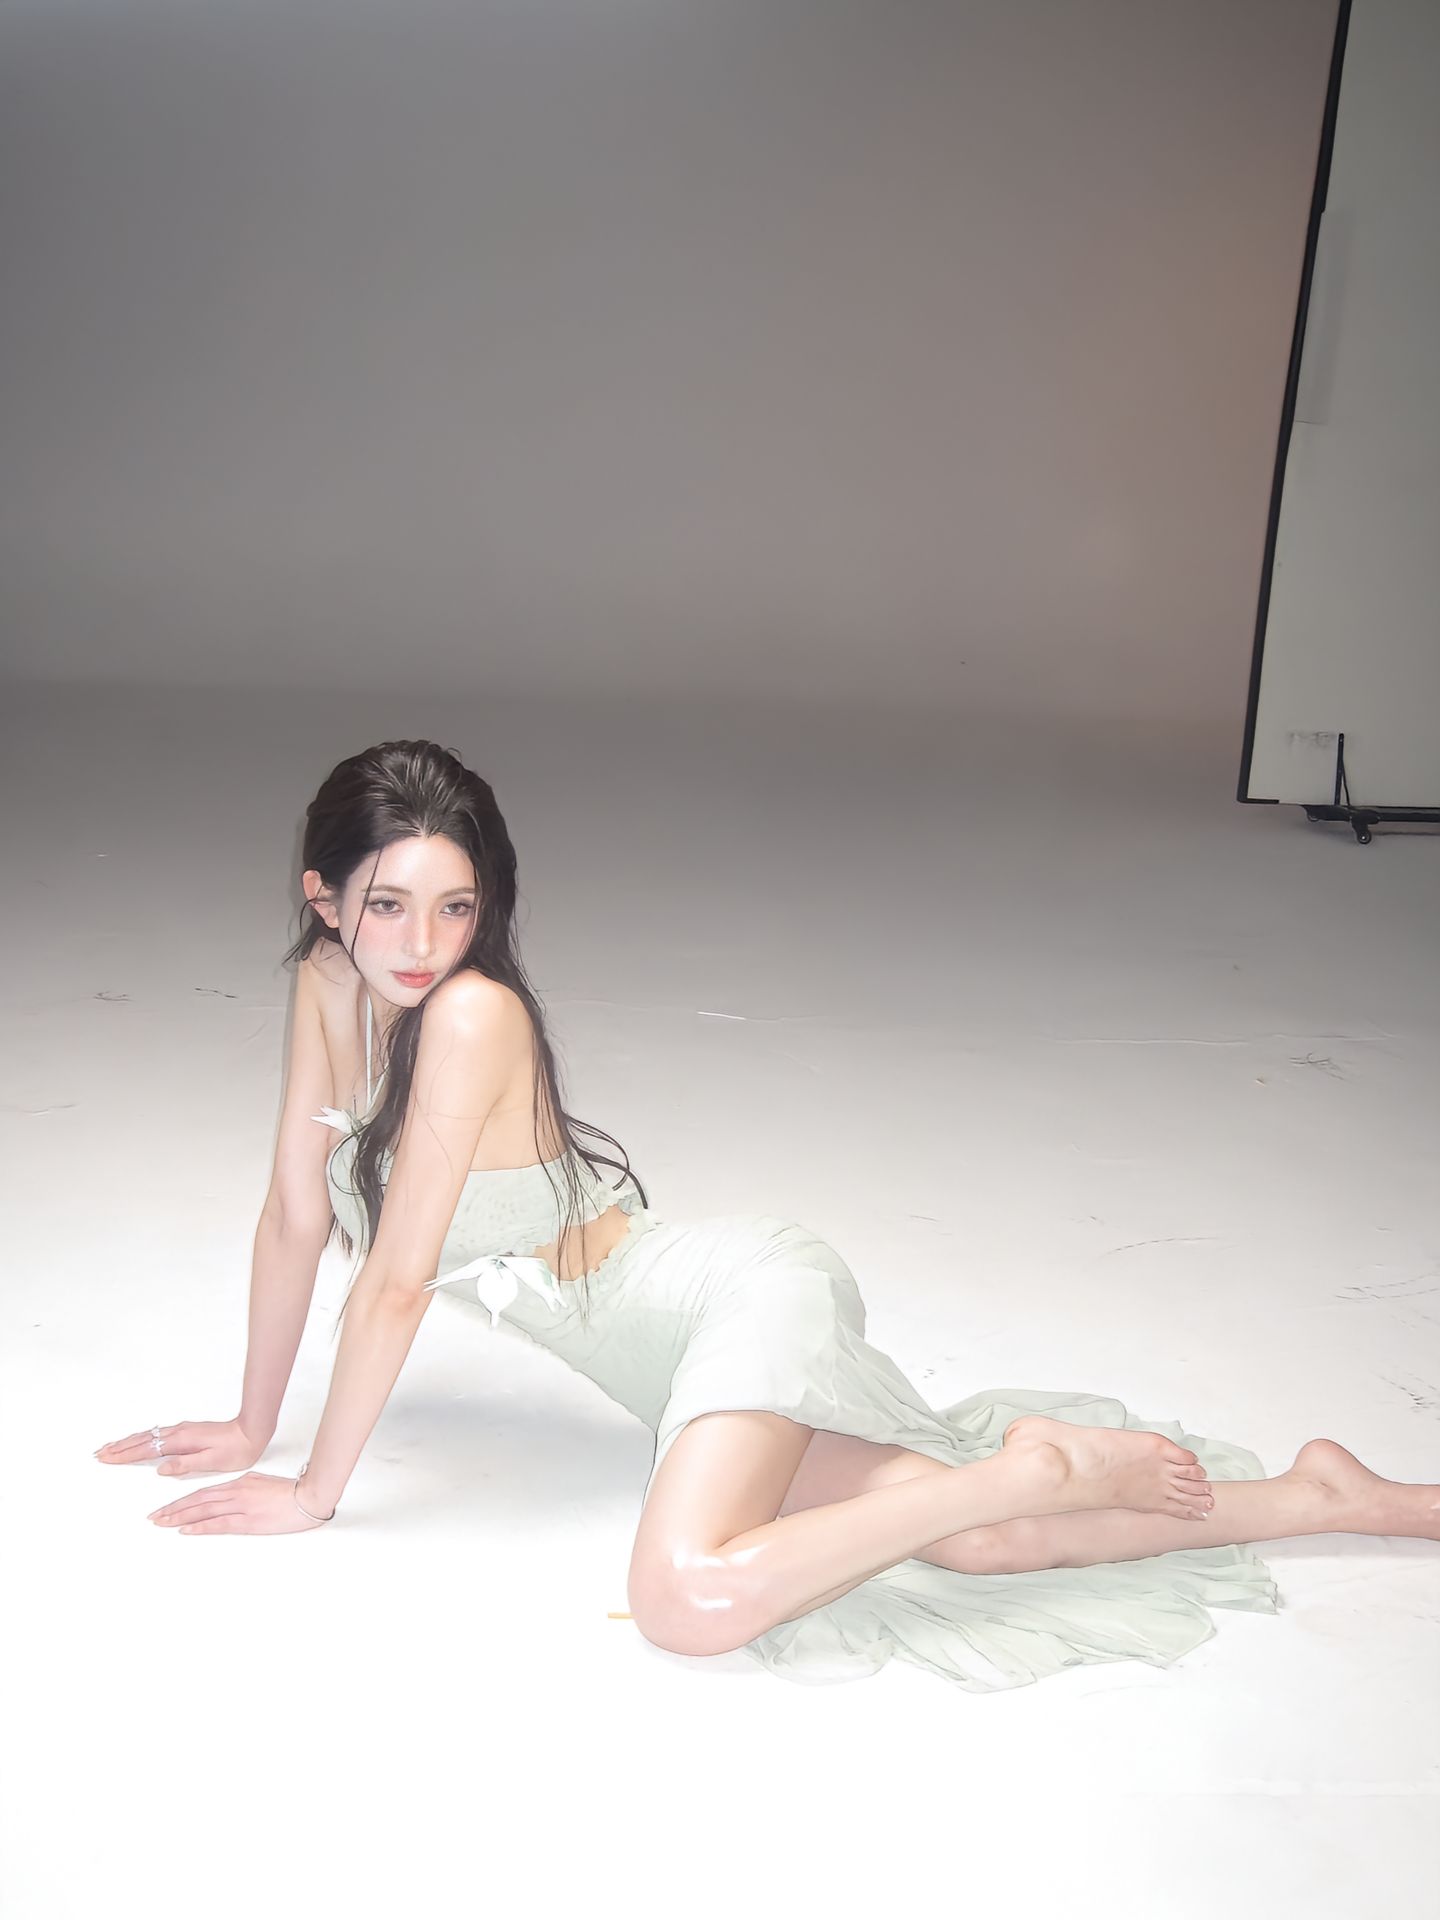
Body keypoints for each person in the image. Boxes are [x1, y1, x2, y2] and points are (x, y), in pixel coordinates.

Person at [94, 740, 1440, 1690]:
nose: (420, 942)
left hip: (730, 1298)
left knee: (689, 1598)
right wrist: (252, 1422)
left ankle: (1033, 1466)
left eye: (455, 906)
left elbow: (393, 1284)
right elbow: (293, 1216)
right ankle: (1327, 1495)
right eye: (386, 904)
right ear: (323, 899)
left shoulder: (470, 1017)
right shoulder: (329, 989)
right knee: (976, 1544)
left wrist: (313, 1495)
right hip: (669, 1364)